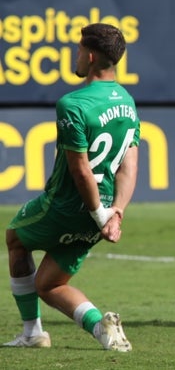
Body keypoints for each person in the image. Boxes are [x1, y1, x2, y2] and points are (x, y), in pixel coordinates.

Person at [3, 23, 139, 352]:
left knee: (15, 239)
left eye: (78, 50)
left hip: (69, 205)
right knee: (49, 284)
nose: (76, 56)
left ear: (90, 57)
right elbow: (129, 165)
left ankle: (32, 333)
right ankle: (102, 329)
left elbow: (80, 171)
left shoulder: (72, 104)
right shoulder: (127, 100)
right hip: (103, 210)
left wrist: (97, 213)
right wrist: (115, 213)